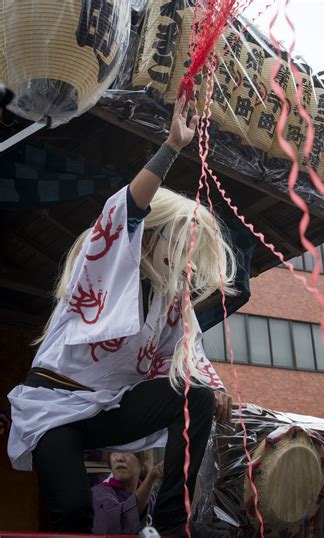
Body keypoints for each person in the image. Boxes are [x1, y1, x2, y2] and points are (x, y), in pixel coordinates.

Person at [7, 95, 234, 537]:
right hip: (55, 407)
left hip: (108, 408)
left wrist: (218, 387)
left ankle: (171, 520)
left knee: (198, 395)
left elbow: (189, 355)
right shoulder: (106, 264)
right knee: (74, 513)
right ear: (153, 236)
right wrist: (171, 147)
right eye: (179, 243)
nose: (184, 259)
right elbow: (126, 211)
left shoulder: (172, 302)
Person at [92, 451, 163, 534]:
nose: (119, 458)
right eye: (114, 452)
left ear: (145, 458)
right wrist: (151, 477)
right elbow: (119, 522)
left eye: (128, 452)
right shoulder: (98, 494)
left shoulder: (152, 498)